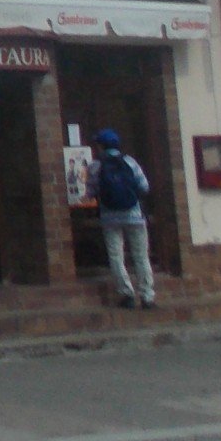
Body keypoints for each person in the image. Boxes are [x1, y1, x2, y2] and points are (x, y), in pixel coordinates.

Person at [93, 128, 155, 309]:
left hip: (110, 218)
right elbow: (144, 187)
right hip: (134, 216)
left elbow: (91, 191)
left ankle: (126, 295)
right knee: (141, 256)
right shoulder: (130, 162)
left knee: (116, 256)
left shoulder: (95, 166)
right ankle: (147, 296)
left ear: (101, 146)